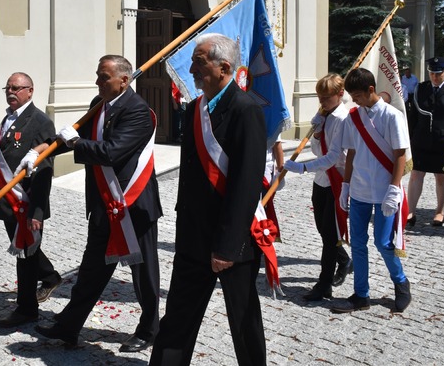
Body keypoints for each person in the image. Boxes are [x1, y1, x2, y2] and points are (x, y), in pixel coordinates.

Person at [150, 33, 267, 366]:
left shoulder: (246, 110)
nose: (191, 69)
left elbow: (245, 185)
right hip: (192, 238)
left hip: (232, 242)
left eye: (199, 63)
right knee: (177, 320)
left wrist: (227, 247)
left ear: (224, 67)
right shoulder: (195, 110)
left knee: (244, 323)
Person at [32, 55, 162, 352]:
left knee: (143, 275)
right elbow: (85, 137)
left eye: (104, 77)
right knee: (91, 271)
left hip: (133, 206)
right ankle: (68, 327)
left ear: (124, 80)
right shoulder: (98, 104)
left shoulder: (138, 111)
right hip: (105, 205)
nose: (97, 82)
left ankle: (148, 329)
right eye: (98, 76)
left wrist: (75, 143)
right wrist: (48, 148)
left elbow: (111, 152)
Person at [330, 68, 411, 315]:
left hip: (385, 190)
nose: (354, 100)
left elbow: (400, 155)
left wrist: (395, 189)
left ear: (371, 90)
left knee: (383, 243)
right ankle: (361, 294)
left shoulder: (392, 116)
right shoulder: (354, 117)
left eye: (357, 95)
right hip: (360, 190)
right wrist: (345, 185)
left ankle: (401, 282)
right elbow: (351, 153)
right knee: (358, 244)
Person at [0, 72, 62, 328]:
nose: (11, 92)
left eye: (17, 88)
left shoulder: (40, 121)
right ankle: (50, 277)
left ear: (30, 91)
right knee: (24, 250)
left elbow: (44, 169)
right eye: (8, 87)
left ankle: (27, 308)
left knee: (25, 256)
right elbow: (0, 163)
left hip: (26, 202)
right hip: (8, 201)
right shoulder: (9, 118)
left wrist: (37, 212)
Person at [283, 74, 353, 301]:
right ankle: (344, 260)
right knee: (324, 231)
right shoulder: (326, 114)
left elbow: (333, 157)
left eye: (326, 97)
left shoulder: (343, 118)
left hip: (335, 181)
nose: (322, 102)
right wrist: (318, 132)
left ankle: (324, 284)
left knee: (330, 235)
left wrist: (302, 168)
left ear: (340, 94)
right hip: (321, 180)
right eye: (320, 97)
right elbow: (317, 151)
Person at [406, 57, 444, 227]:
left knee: (441, 177)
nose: (434, 77)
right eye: (431, 73)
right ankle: (411, 211)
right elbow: (413, 117)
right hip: (421, 140)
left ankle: (440, 211)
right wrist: (409, 139)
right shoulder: (421, 88)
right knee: (416, 174)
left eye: (438, 74)